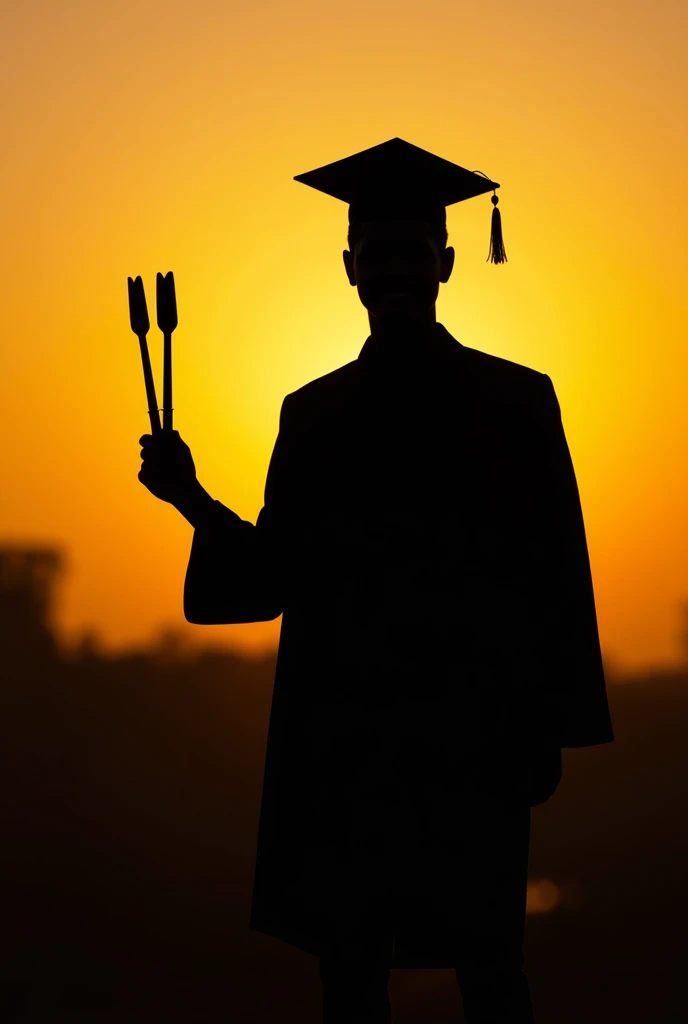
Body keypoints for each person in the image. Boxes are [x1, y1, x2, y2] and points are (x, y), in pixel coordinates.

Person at [138, 138, 614, 1022]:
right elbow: (275, 577)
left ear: (445, 262)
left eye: (411, 255)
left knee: (489, 970)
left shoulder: (518, 401)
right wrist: (190, 498)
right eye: (379, 256)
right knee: (354, 977)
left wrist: (551, 725)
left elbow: (556, 568)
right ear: (351, 267)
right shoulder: (312, 414)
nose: (395, 271)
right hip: (348, 746)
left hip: (474, 739)